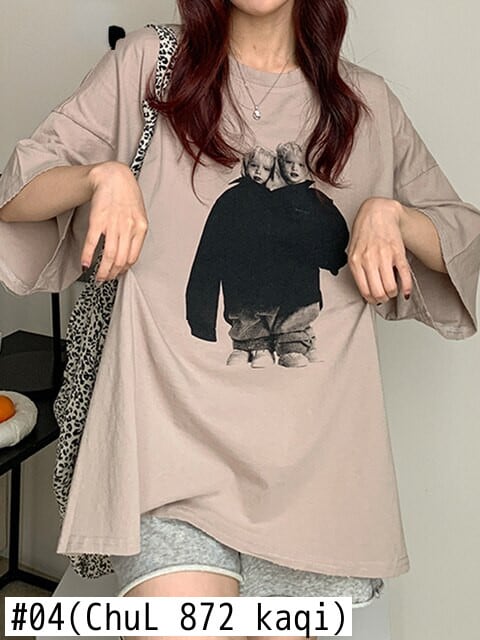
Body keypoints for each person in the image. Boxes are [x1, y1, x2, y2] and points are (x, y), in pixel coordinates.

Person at [1, 0, 479, 636]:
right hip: (169, 455)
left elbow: (467, 246)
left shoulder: (365, 105)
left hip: (318, 470)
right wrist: (101, 176)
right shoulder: (150, 65)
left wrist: (393, 216)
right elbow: (14, 193)